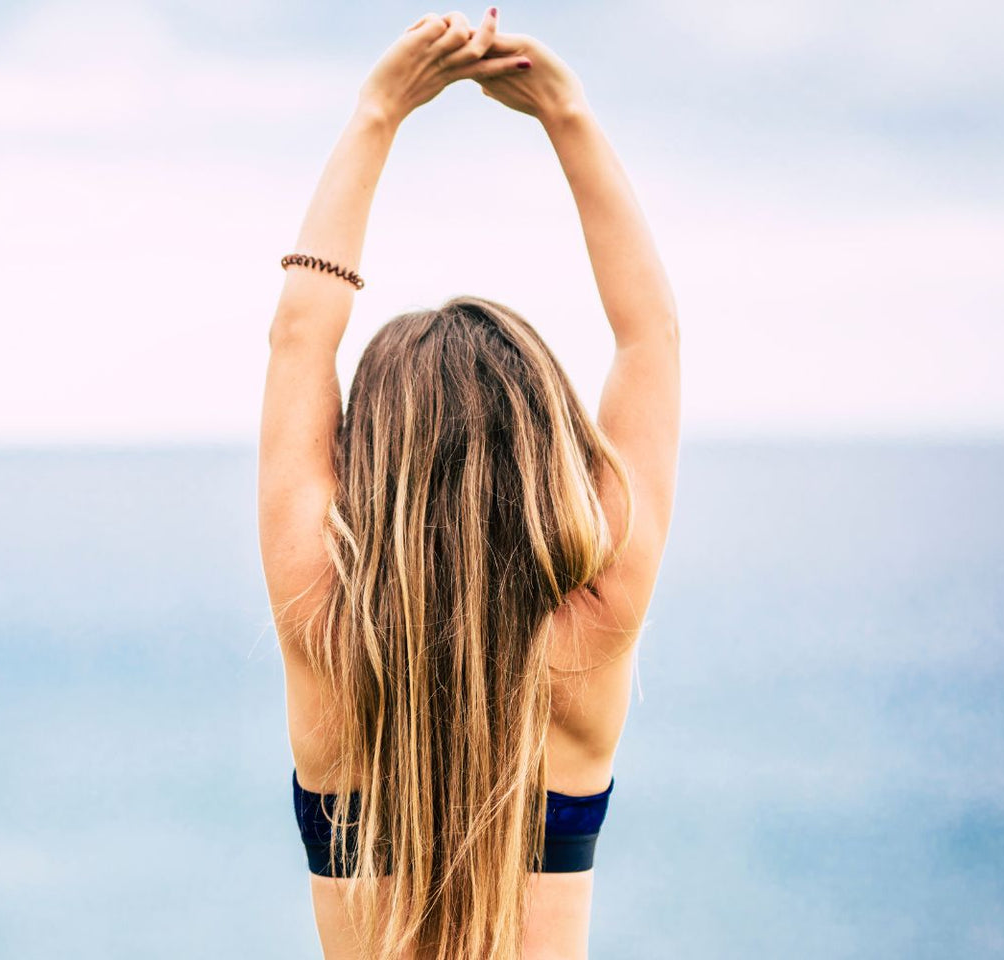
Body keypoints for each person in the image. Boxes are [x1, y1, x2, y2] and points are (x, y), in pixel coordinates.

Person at [257, 9, 680, 959]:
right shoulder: (594, 626)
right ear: (547, 452)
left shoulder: (325, 627)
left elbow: (299, 338)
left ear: (368, 456)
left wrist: (379, 109)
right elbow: (650, 336)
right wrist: (563, 112)